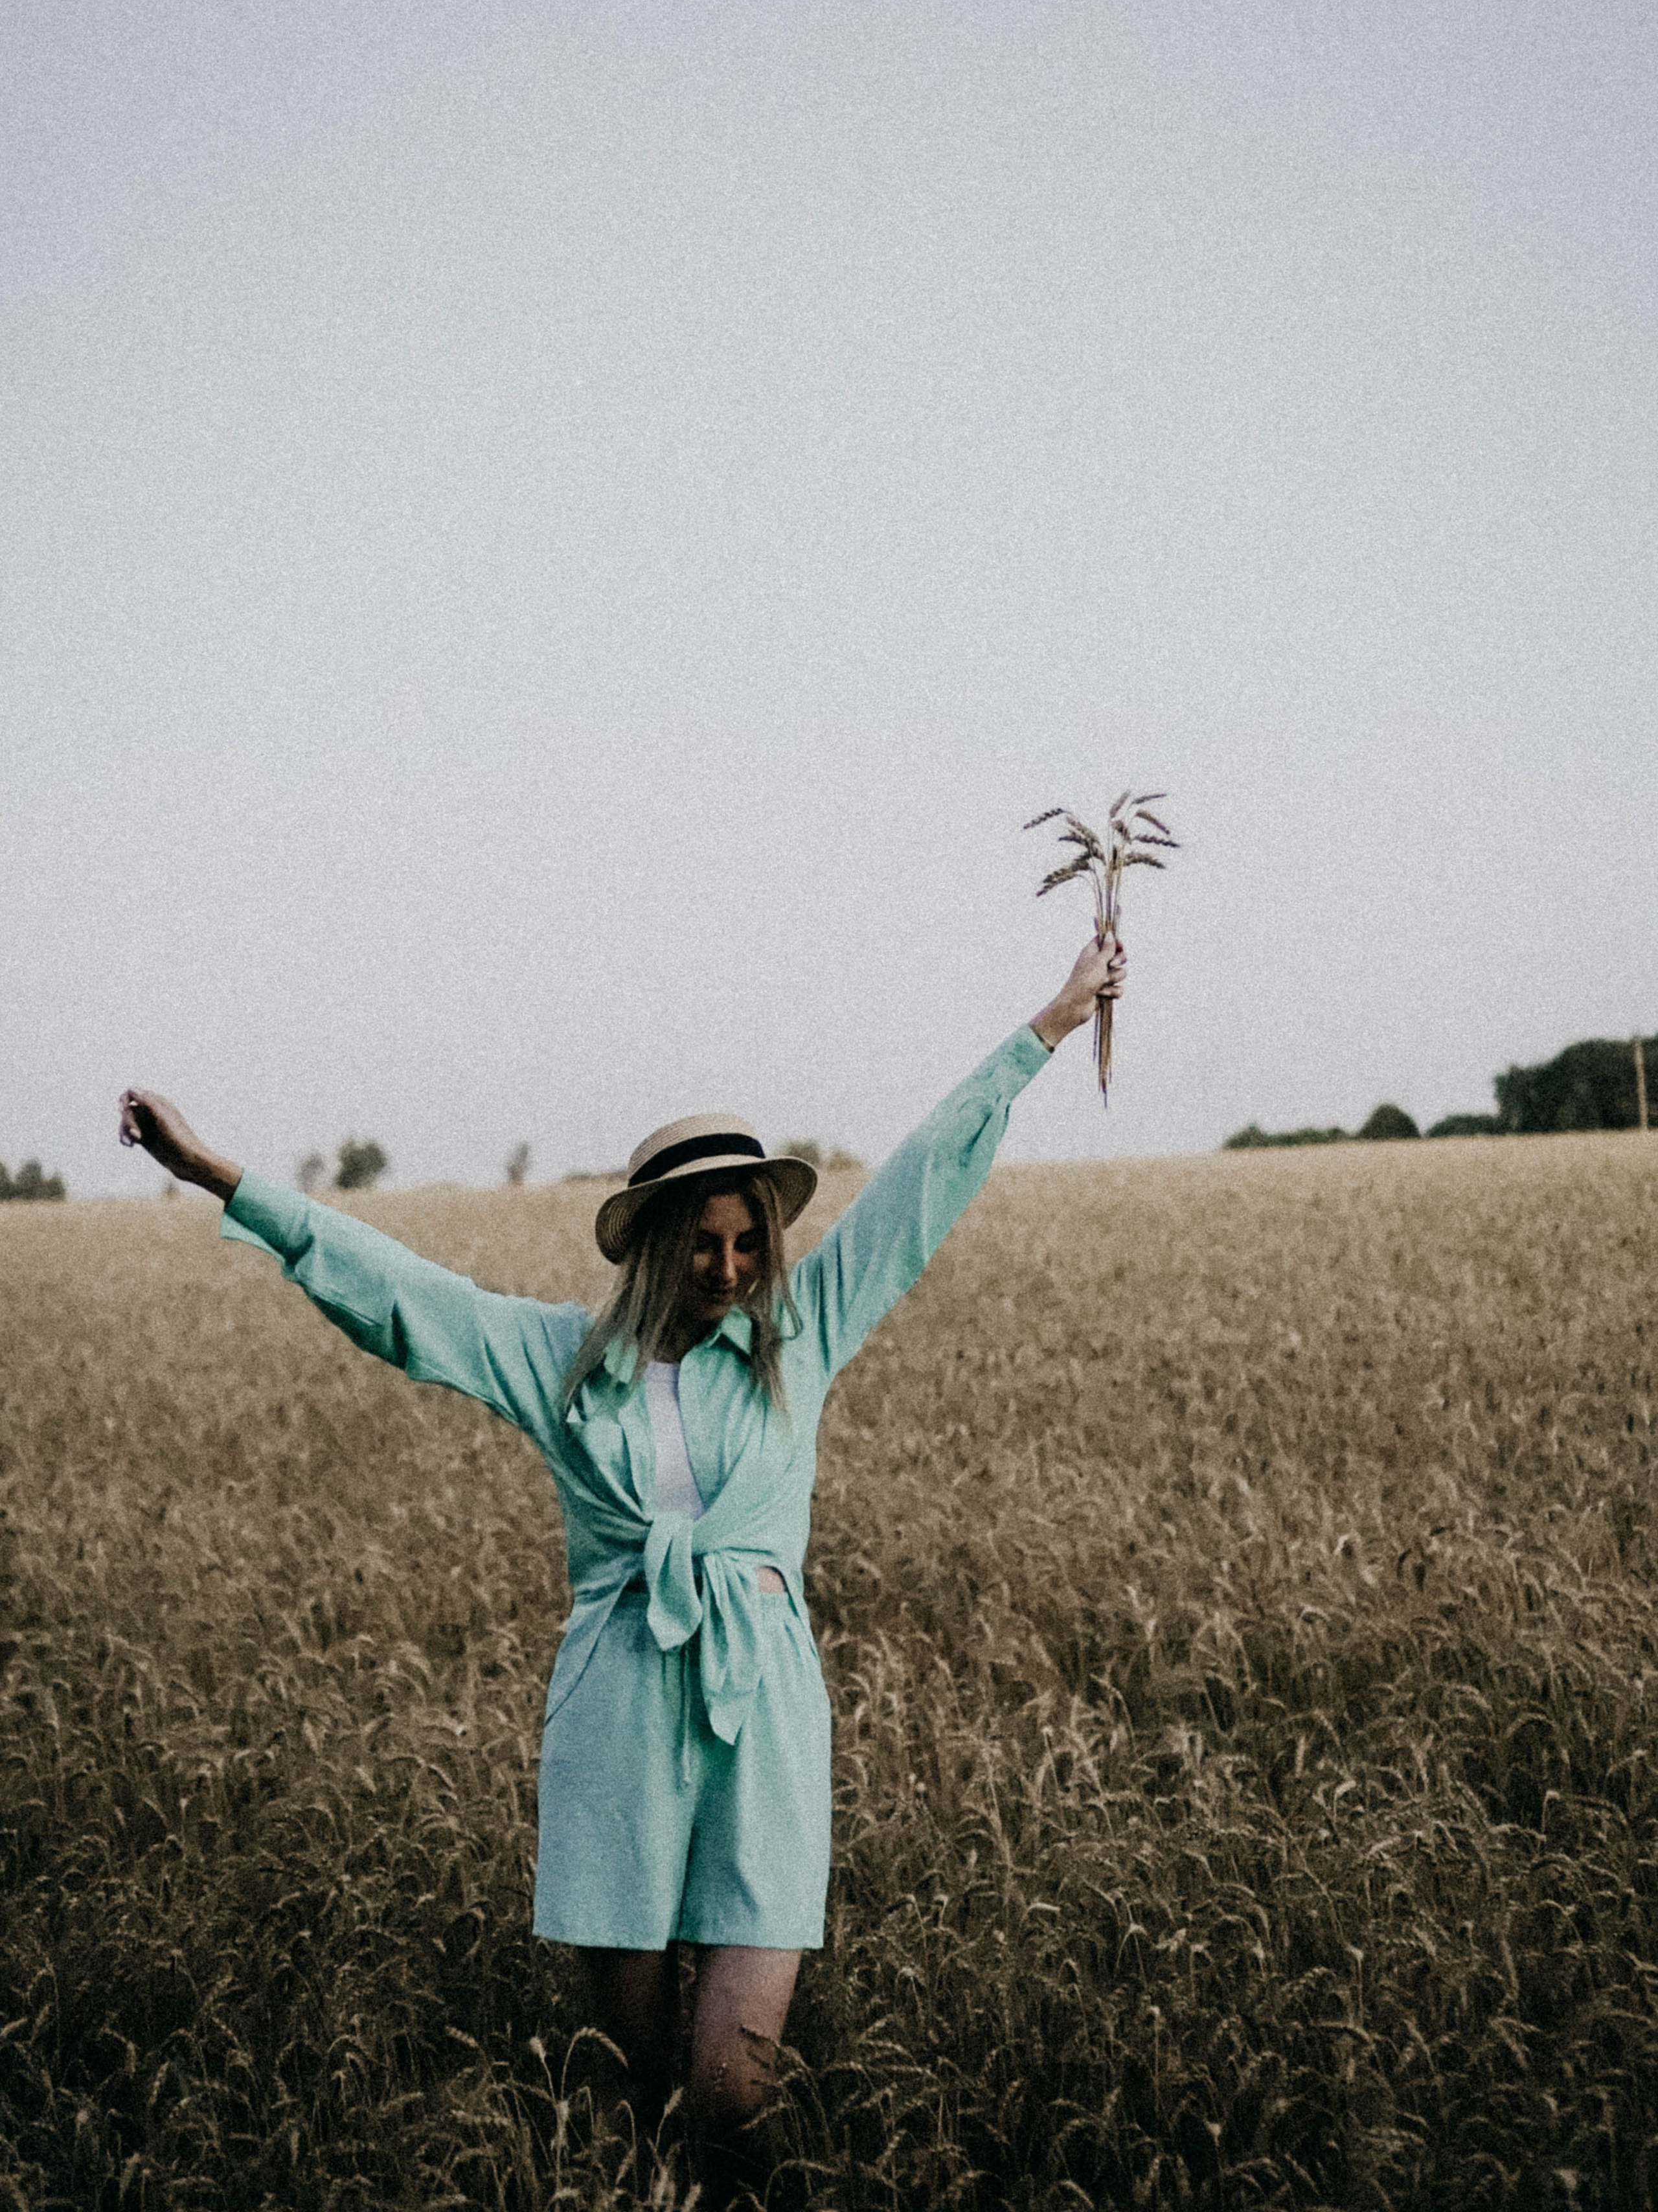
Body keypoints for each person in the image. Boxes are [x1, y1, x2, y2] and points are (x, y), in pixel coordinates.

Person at [117, 931, 1126, 2176]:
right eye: (705, 1244)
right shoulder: (558, 1362)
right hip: (617, 1719)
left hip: (761, 1714)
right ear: (653, 1240)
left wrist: (1049, 1024)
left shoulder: (797, 1338)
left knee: (732, 2095)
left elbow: (918, 1188)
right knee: (646, 2107)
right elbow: (396, 1292)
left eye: (750, 1243)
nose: (731, 1269)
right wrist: (214, 1171)